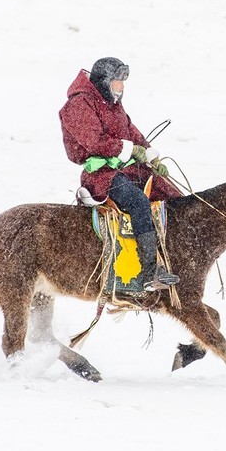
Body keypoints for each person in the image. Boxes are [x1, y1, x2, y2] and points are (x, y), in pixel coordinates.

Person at [59, 57, 182, 292]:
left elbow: (131, 132)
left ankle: (174, 258)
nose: (121, 87)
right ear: (105, 82)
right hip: (102, 176)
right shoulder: (78, 105)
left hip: (126, 168)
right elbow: (94, 141)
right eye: (117, 82)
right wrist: (127, 150)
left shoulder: (112, 104)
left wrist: (150, 156)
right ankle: (149, 272)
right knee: (137, 202)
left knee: (170, 194)